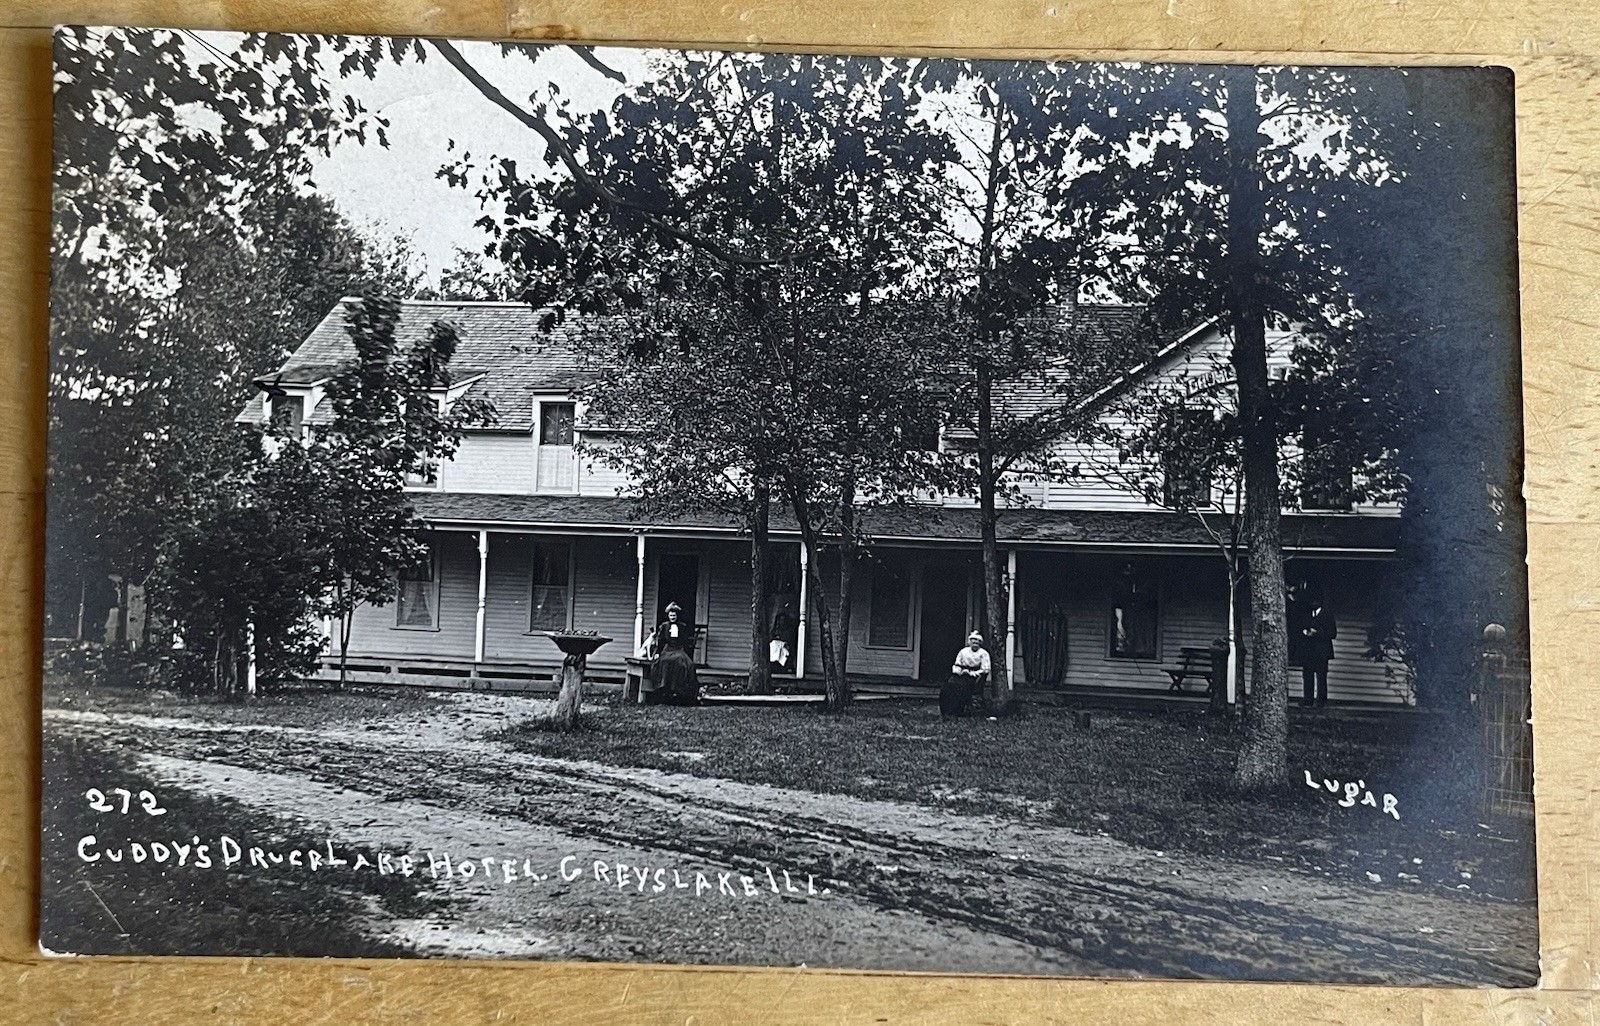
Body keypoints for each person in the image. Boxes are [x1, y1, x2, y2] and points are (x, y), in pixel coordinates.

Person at [652, 602, 701, 705]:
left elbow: (686, 642)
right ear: (668, 616)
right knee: (664, 661)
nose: (672, 617)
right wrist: (657, 652)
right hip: (668, 649)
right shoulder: (664, 626)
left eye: (674, 615)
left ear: (677, 616)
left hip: (679, 649)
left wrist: (686, 653)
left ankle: (680, 691)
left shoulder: (682, 626)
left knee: (686, 664)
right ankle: (664, 689)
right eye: (670, 615)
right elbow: (661, 641)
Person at [942, 631, 991, 717]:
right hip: (961, 674)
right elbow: (957, 664)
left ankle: (960, 709)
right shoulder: (963, 652)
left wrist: (973, 673)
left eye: (977, 642)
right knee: (949, 686)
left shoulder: (983, 653)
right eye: (973, 642)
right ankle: (949, 710)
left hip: (974, 676)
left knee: (962, 688)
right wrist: (959, 672)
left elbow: (985, 669)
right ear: (969, 642)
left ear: (980, 643)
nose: (975, 644)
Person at [1299, 600, 1337, 707]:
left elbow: (1333, 633)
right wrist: (1305, 632)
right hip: (1308, 652)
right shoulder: (1307, 614)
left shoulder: (1327, 615)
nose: (1313, 603)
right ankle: (1308, 700)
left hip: (1322, 652)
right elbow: (1300, 628)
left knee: (1321, 677)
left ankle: (1321, 701)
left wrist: (1317, 633)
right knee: (1307, 676)